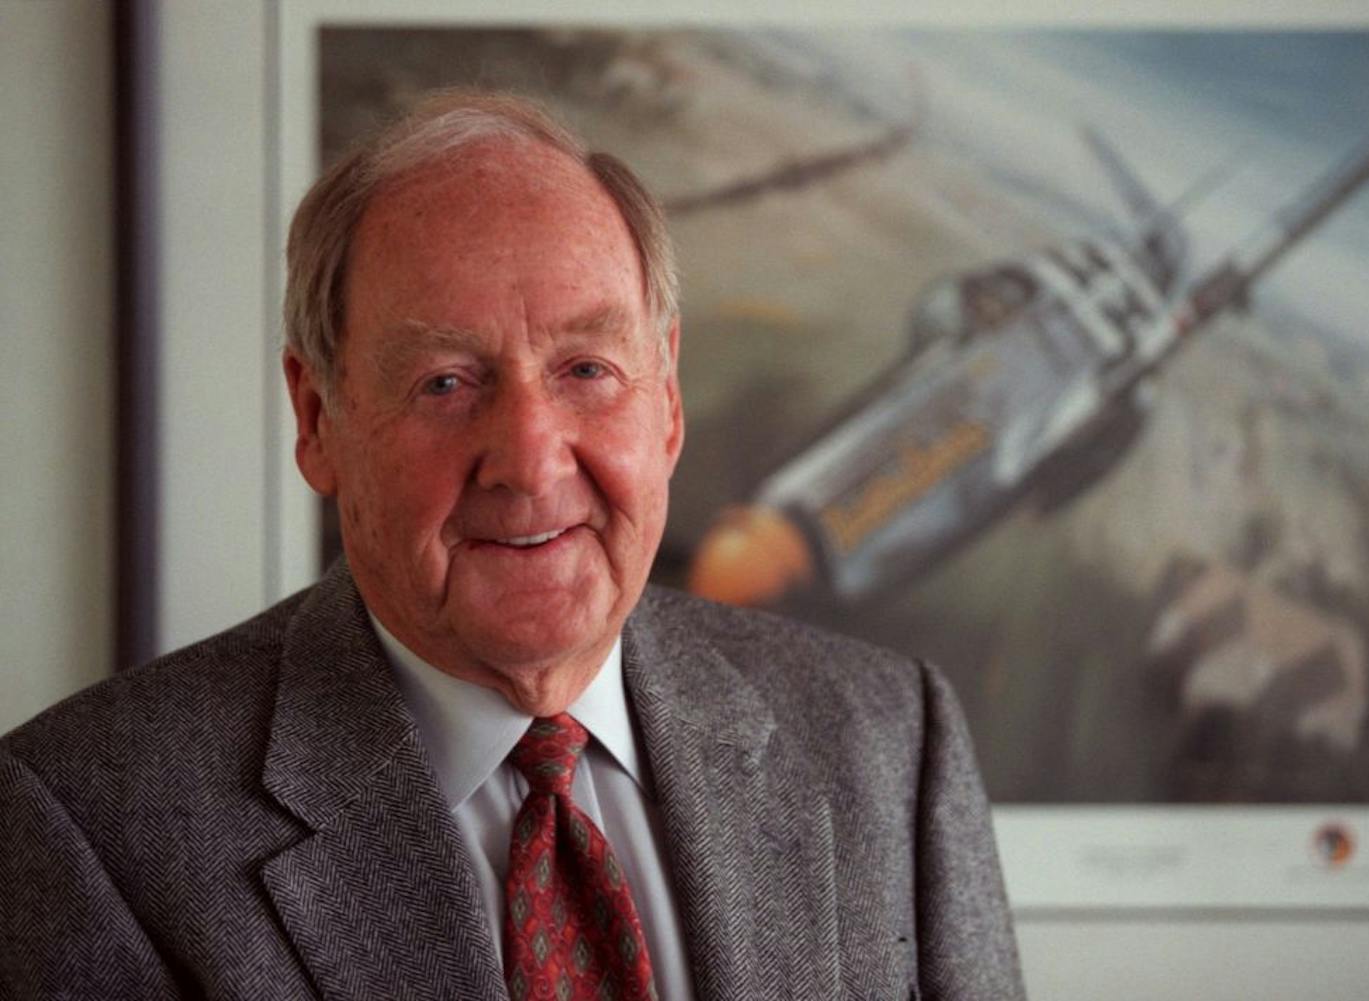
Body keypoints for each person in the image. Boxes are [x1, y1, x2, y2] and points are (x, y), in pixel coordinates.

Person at [0, 91, 1024, 1000]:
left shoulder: (890, 740)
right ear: (318, 419)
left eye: (586, 368)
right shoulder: (85, 824)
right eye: (446, 380)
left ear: (665, 398)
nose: (531, 462)